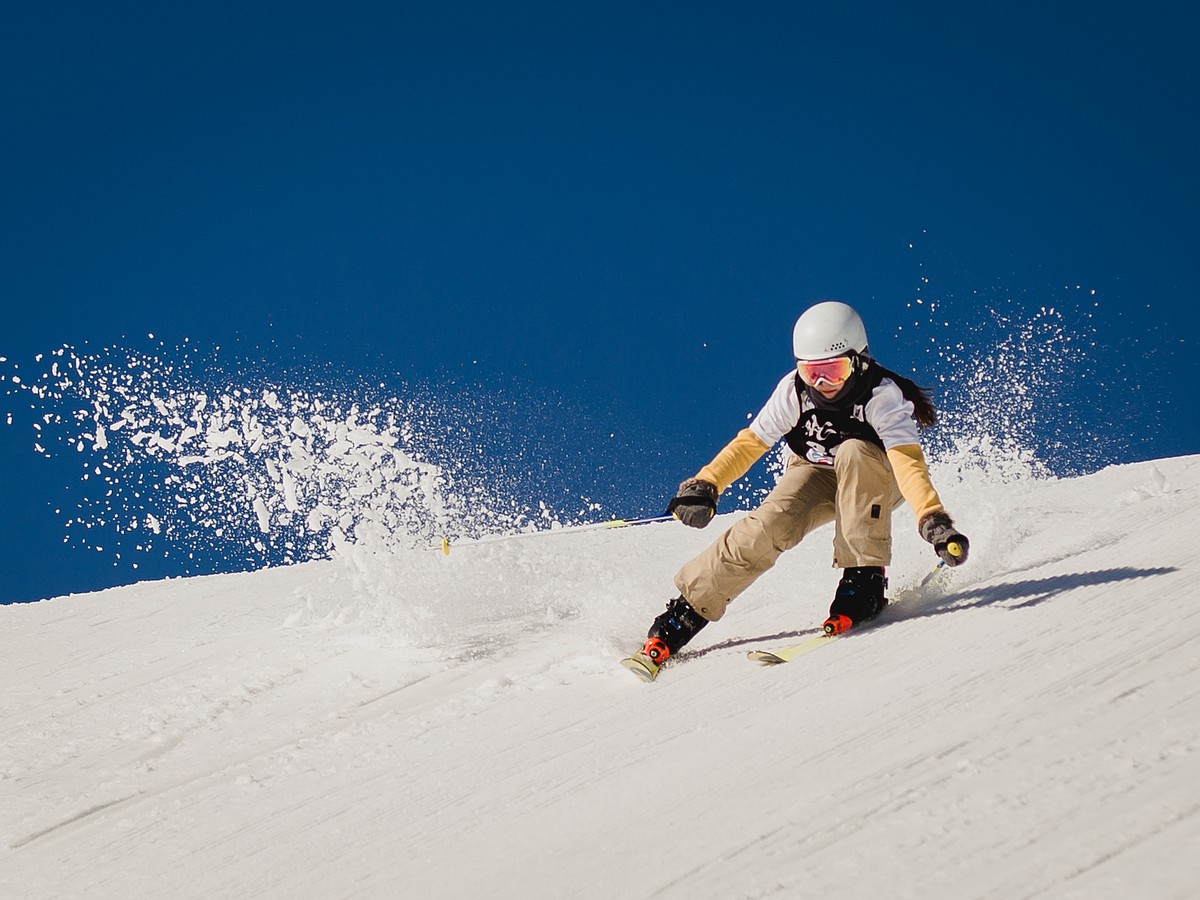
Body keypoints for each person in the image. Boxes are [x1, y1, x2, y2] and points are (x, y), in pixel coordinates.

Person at [633, 300, 969, 671]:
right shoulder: (793, 392)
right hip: (816, 472)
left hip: (876, 479)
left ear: (859, 361)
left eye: (834, 371)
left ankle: (864, 578)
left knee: (855, 450)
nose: (823, 385)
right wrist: (707, 483)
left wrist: (932, 518)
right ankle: (688, 611)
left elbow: (907, 463)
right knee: (768, 523)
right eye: (813, 373)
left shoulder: (882, 397)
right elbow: (750, 444)